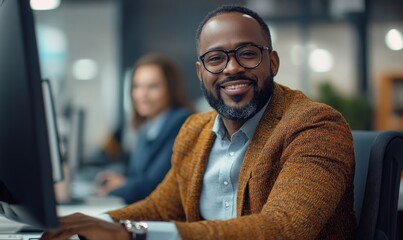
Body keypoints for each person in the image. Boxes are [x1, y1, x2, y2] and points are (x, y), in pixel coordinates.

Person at [41, 5, 356, 240]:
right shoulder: (195, 130)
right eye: (216, 58)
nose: (231, 68)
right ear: (200, 73)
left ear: (272, 62)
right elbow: (161, 208)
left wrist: (131, 232)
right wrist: (94, 224)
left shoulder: (315, 126)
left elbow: (283, 228)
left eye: (247, 54)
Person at [96, 53, 194, 204]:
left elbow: (153, 186)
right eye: (137, 86)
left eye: (153, 86)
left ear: (171, 89)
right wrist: (123, 181)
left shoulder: (182, 123)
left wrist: (110, 190)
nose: (142, 95)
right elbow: (138, 176)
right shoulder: (147, 127)